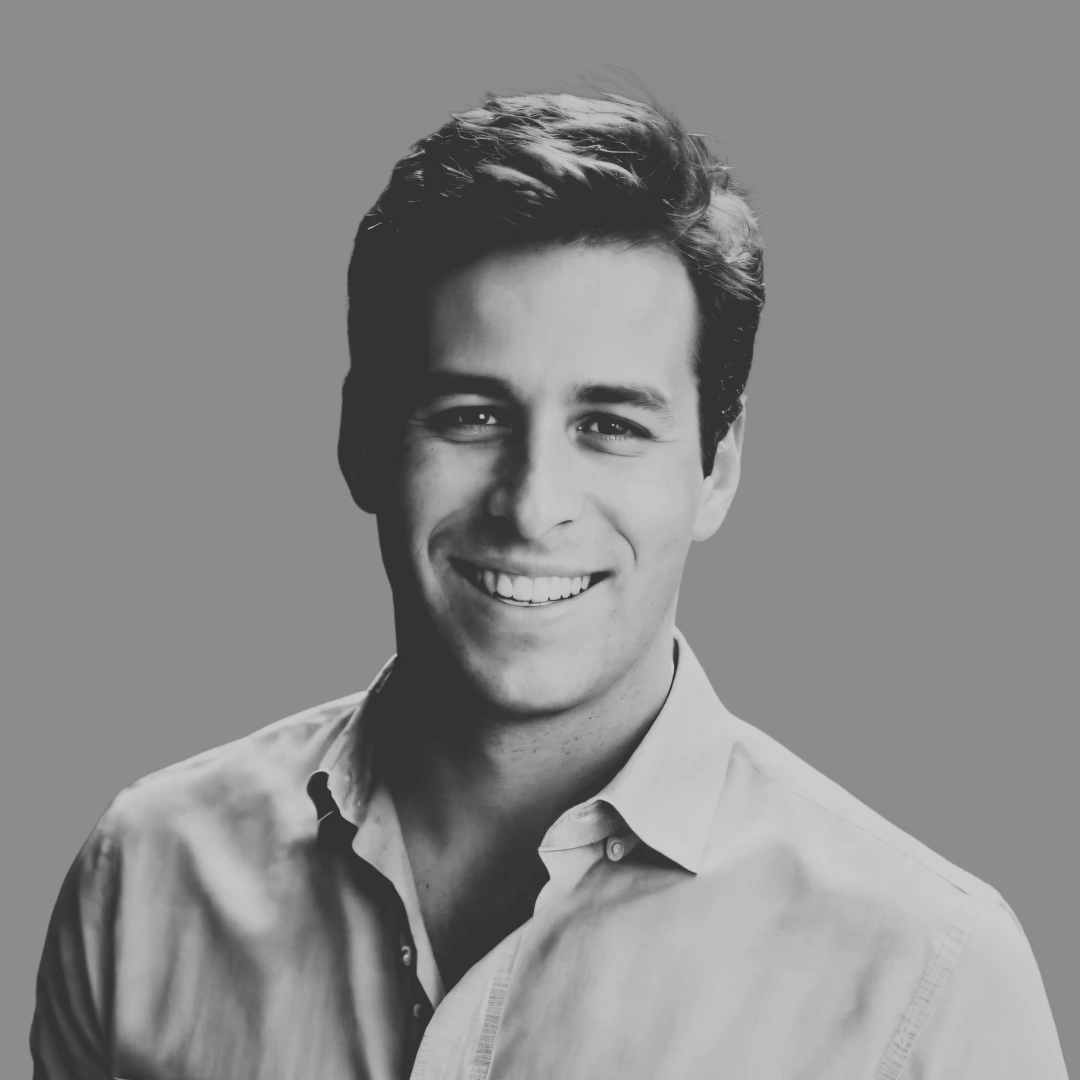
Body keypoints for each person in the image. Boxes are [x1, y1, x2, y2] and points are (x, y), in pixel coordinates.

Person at [30, 92, 1066, 1080]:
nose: (532, 506)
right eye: (471, 415)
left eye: (610, 425)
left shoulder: (928, 975)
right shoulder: (146, 876)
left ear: (717, 466)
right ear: (360, 440)